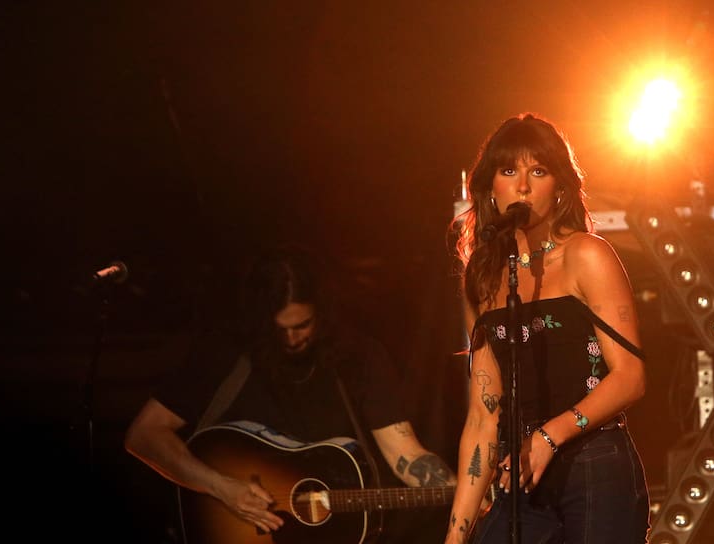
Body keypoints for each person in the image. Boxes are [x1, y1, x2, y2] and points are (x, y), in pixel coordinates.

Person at [124, 242, 457, 541]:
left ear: (322, 314)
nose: (291, 339)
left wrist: (467, 492)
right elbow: (145, 434)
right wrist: (221, 487)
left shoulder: (359, 357)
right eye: (279, 329)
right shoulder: (225, 352)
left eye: (302, 326)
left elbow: (406, 455)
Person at [444, 113, 650, 543]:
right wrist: (455, 537)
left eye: (538, 171)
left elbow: (630, 377)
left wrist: (548, 436)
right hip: (520, 471)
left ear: (559, 186)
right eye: (508, 171)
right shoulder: (481, 280)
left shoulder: (587, 255)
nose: (522, 186)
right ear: (488, 188)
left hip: (594, 461)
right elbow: (483, 414)